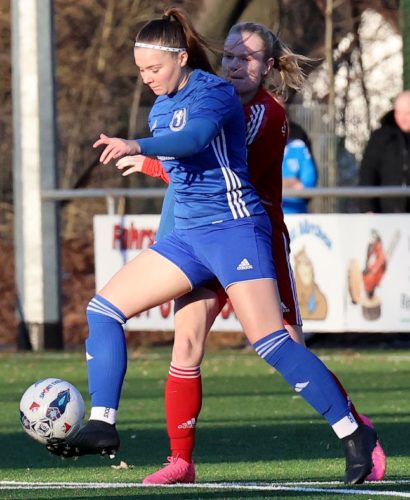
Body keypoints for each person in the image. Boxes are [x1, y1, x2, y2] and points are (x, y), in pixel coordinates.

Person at [87, 14, 386, 486]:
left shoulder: (235, 102)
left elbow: (200, 148)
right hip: (190, 239)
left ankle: (355, 430)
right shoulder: (165, 105)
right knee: (131, 322)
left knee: (275, 343)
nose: (235, 65)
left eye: (246, 57)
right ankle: (132, 437)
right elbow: (186, 170)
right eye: (229, 55)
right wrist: (150, 161)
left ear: (266, 65)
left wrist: (140, 150)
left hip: (241, 232)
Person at [359, 90, 410, 213]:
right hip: (386, 212)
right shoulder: (381, 137)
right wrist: (368, 207)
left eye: (407, 113)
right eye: (399, 113)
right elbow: (368, 172)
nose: (403, 118)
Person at [282, 122, 318, 214]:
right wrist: (291, 182)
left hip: (296, 214)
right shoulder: (259, 148)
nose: (283, 128)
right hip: (267, 216)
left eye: (285, 124)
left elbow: (308, 184)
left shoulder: (299, 147)